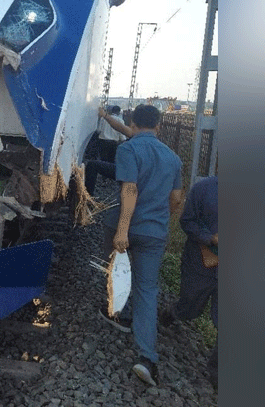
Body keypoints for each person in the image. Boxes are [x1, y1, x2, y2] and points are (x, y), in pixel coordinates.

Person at [96, 104, 184, 387]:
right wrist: (158, 219)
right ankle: (147, 358)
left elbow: (129, 190)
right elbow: (176, 199)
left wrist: (123, 230)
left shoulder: (129, 149)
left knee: (114, 268)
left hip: (125, 226)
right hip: (153, 231)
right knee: (147, 290)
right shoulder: (173, 158)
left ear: (133, 122)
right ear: (158, 125)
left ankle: (116, 312)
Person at [160, 175, 218, 391]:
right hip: (201, 263)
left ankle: (218, 374)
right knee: (191, 307)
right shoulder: (204, 189)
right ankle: (174, 312)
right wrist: (210, 238)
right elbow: (187, 221)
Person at [84, 105, 133, 196]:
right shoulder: (120, 121)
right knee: (111, 160)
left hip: (102, 141)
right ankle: (107, 180)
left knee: (102, 160)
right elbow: (122, 135)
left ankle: (102, 179)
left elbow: (98, 130)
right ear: (119, 112)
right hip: (113, 143)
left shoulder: (103, 119)